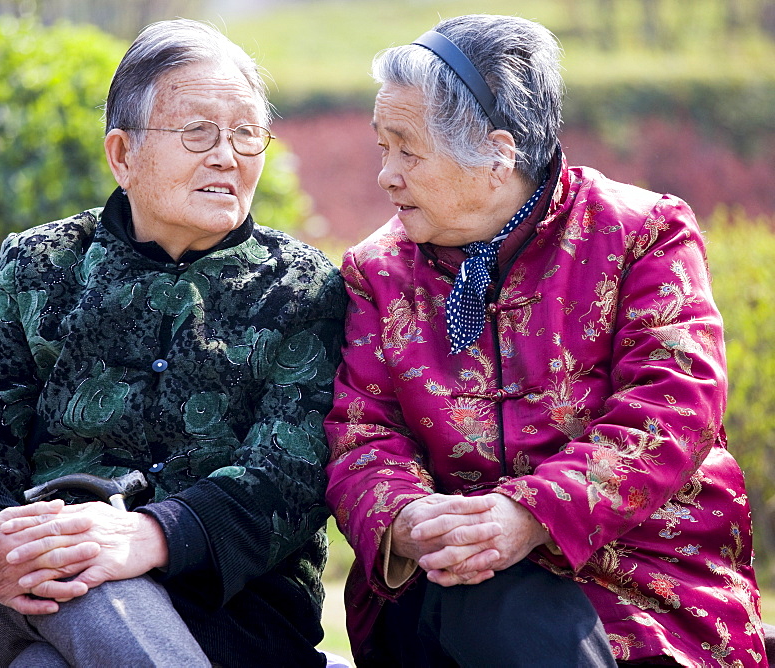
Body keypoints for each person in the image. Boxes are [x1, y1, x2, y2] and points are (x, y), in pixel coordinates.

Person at [324, 13, 766, 667]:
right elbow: (362, 434)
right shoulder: (376, 272)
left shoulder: (643, 233)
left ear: (499, 153)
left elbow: (673, 404)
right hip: (446, 586)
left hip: (641, 583)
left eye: (406, 150)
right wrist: (413, 523)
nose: (386, 175)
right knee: (489, 593)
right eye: (381, 147)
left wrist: (529, 515)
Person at [0, 19, 346, 667]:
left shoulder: (302, 290)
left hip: (232, 617)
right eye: (198, 132)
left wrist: (151, 535)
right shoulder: (42, 266)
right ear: (123, 155)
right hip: (17, 585)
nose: (227, 155)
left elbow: (291, 477)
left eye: (247, 133)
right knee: (74, 561)